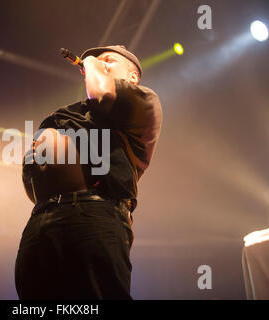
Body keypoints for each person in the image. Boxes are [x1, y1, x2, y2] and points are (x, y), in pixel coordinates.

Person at [15, 45, 162, 299]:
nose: (97, 63)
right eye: (96, 60)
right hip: (43, 217)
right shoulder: (77, 111)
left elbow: (103, 92)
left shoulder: (142, 100)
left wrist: (91, 62)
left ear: (133, 76)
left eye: (109, 60)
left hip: (93, 214)